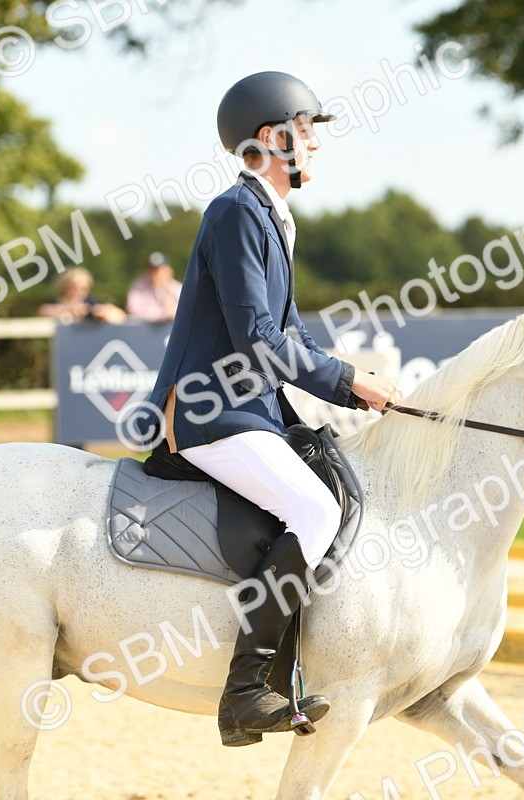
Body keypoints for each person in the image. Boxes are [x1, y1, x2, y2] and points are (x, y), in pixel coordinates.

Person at [142, 71, 398, 746]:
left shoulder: (270, 217)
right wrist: (346, 377)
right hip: (210, 409)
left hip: (249, 406)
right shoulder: (235, 213)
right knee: (315, 508)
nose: (315, 143)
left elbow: (290, 332)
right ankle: (247, 690)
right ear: (273, 137)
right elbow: (259, 338)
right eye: (308, 130)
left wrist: (353, 386)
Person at [38, 268, 126, 323]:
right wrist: (69, 309)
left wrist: (101, 312)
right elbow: (44, 311)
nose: (80, 292)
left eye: (83, 288)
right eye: (75, 288)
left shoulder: (90, 302)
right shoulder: (57, 303)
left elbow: (120, 316)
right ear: (65, 288)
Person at [126, 252, 182, 322]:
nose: (155, 274)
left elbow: (179, 314)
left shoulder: (178, 289)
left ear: (169, 271)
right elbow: (133, 311)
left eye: (159, 270)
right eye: (152, 270)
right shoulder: (138, 286)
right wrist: (164, 314)